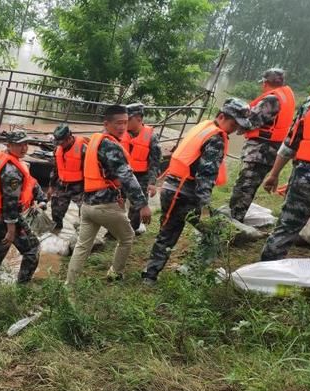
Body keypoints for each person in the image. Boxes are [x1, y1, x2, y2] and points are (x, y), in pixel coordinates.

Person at [142, 99, 252, 284]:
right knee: (211, 233)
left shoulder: (204, 126)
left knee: (170, 232)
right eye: (234, 124)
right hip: (185, 194)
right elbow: (206, 175)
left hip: (172, 189)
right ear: (222, 116)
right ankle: (179, 272)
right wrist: (206, 207)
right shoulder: (216, 138)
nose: (235, 129)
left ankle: (156, 274)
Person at [66, 105, 152, 284]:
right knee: (127, 237)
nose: (122, 127)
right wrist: (142, 204)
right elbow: (127, 176)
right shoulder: (111, 146)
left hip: (88, 205)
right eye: (118, 123)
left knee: (82, 247)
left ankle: (69, 285)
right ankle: (115, 273)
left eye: (125, 122)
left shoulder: (94, 141)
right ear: (107, 123)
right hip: (105, 206)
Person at [228, 69, 296, 222]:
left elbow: (250, 122)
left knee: (244, 188)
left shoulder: (271, 100)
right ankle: (235, 219)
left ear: (265, 83)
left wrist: (232, 119)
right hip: (271, 151)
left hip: (260, 152)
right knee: (248, 187)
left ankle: (233, 223)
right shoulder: (286, 96)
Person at [261, 91, 310, 260]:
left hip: (307, 175)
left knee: (287, 226)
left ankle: (266, 271)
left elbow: (290, 145)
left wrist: (274, 174)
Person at [0, 131, 41, 283]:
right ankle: (22, 286)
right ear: (9, 145)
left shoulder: (0, 156)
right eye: (19, 145)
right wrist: (11, 228)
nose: (24, 148)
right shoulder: (12, 171)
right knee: (32, 249)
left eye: (26, 144)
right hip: (8, 216)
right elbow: (10, 201)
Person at [121, 103, 162, 233]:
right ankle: (113, 231)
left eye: (128, 119)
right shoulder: (121, 134)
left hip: (141, 176)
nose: (124, 123)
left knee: (137, 205)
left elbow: (154, 162)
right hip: (122, 174)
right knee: (117, 201)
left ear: (138, 119)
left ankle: (131, 231)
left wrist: (152, 183)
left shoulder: (151, 137)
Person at [48, 124, 88, 230]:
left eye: (61, 143)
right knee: (56, 210)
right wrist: (51, 186)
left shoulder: (83, 149)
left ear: (69, 138)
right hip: (62, 184)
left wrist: (89, 189)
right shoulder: (58, 148)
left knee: (86, 210)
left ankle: (83, 231)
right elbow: (55, 169)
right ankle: (57, 230)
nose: (60, 145)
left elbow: (89, 170)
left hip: (80, 186)